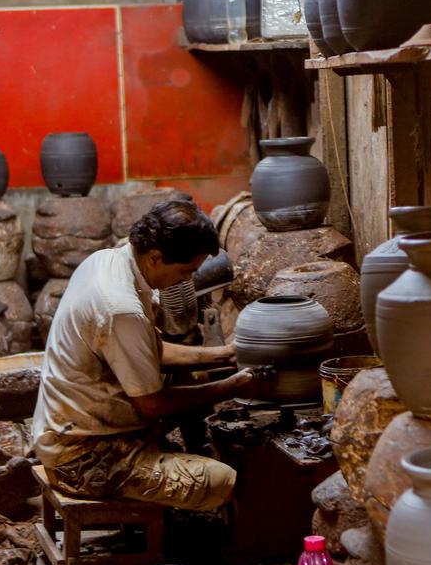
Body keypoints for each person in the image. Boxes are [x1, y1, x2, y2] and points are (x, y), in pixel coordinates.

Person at [31, 198, 272, 510]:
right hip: (82, 458)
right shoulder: (120, 307)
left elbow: (151, 351)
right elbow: (152, 405)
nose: (187, 280)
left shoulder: (106, 260)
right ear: (156, 257)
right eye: (186, 271)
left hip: (77, 426)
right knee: (223, 480)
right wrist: (233, 385)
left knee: (191, 380)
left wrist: (225, 355)